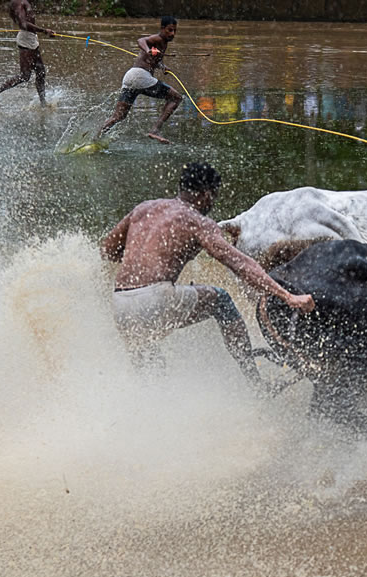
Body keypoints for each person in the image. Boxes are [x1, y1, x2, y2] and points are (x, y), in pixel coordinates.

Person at [100, 162, 315, 389]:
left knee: (151, 368)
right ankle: (254, 381)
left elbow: (107, 250)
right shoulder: (197, 221)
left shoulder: (144, 208)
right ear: (206, 194)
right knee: (221, 300)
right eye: (214, 196)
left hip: (120, 303)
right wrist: (287, 296)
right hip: (156, 299)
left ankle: (152, 405)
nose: (213, 202)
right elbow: (240, 264)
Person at [97, 16, 184, 144]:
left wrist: (162, 66)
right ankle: (155, 130)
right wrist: (148, 49)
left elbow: (153, 60)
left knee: (119, 116)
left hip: (130, 77)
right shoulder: (158, 38)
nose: (172, 34)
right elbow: (141, 40)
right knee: (176, 98)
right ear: (162, 28)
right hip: (141, 77)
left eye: (175, 31)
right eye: (170, 30)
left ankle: (95, 138)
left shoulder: (163, 43)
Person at [0, 0, 55, 113]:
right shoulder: (20, 3)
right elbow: (23, 24)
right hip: (26, 40)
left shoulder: (22, 2)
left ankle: (43, 104)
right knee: (24, 76)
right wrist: (44, 30)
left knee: (41, 72)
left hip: (31, 39)